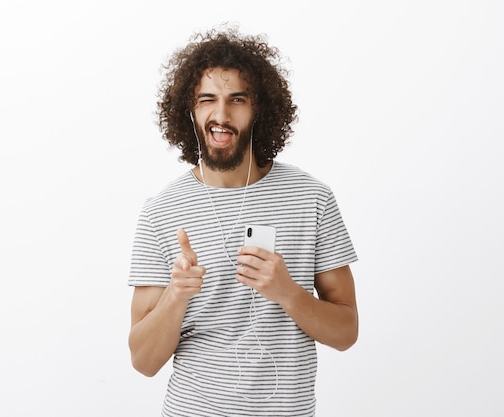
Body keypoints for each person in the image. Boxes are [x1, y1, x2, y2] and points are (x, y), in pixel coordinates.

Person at [128, 25, 359, 417]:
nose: (221, 115)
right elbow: (143, 361)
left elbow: (346, 333)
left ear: (258, 109)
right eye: (207, 100)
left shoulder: (311, 199)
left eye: (237, 99)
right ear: (190, 111)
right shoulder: (160, 213)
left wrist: (287, 292)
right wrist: (176, 295)